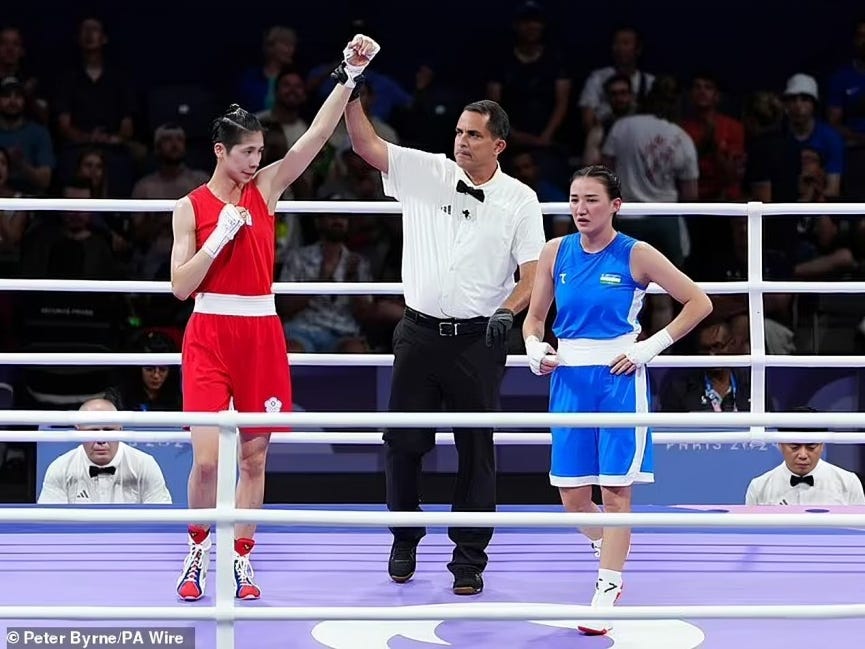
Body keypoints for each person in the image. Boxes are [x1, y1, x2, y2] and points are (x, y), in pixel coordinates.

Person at [169, 34, 380, 602]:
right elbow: (179, 288)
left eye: (260, 153)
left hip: (261, 331)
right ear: (220, 151)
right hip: (210, 331)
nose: (256, 162)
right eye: (247, 154)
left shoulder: (266, 187)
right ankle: (196, 552)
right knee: (209, 461)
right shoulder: (189, 207)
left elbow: (314, 137)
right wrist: (217, 244)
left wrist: (349, 74)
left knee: (256, 455)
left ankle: (241, 559)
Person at [344, 97, 546, 595]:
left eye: (474, 135)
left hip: (479, 341)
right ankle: (405, 539)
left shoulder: (520, 199)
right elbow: (365, 144)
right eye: (458, 131)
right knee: (402, 445)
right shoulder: (425, 171)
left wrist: (508, 312)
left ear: (498, 144)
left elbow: (532, 275)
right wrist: (351, 91)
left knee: (476, 450)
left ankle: (469, 558)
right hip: (417, 334)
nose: (462, 140)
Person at [522, 164, 712, 635]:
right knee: (571, 496)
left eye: (590, 200)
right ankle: (609, 547)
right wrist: (532, 347)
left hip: (618, 379)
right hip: (568, 378)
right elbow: (535, 318)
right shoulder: (554, 251)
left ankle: (607, 587)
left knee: (615, 492)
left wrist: (650, 346)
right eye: (574, 200)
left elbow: (698, 302)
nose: (581, 209)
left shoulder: (636, 253)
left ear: (615, 206)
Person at [37, 398, 171, 504]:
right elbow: (50, 526)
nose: (101, 440)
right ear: (78, 431)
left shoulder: (144, 464)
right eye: (93, 431)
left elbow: (162, 522)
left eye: (108, 430)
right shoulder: (60, 468)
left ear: (120, 429)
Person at [746, 407, 865, 505]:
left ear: (822, 445)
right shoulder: (759, 487)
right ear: (780, 444)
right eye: (794, 447)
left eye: (811, 447)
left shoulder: (849, 483)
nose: (803, 455)